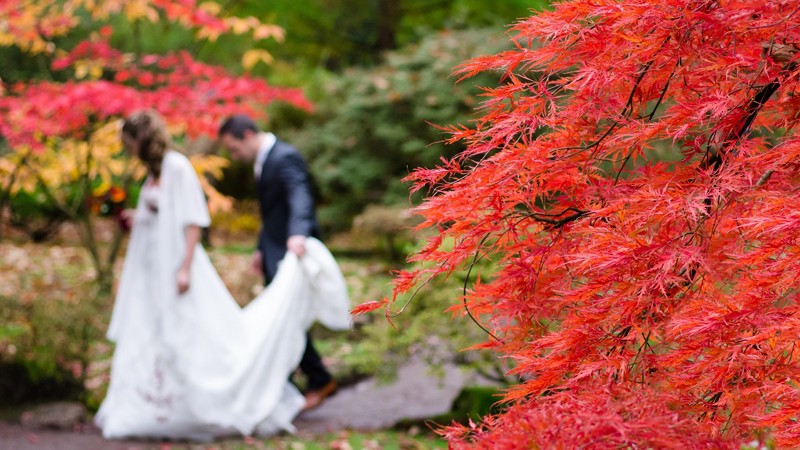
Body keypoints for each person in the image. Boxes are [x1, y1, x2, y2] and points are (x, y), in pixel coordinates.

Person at [95, 110, 350, 441]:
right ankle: (160, 404)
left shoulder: (181, 166)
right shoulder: (154, 173)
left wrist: (297, 233)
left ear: (141, 140)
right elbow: (268, 214)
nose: (127, 150)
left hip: (181, 265)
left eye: (128, 143)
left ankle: (307, 381)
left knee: (199, 332)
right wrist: (136, 216)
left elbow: (195, 219)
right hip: (154, 268)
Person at [218, 114, 337, 411]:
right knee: (283, 317)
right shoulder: (263, 160)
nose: (235, 156)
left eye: (234, 148)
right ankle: (296, 383)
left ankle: (317, 380)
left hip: (291, 252)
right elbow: (270, 212)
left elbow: (300, 196)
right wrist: (261, 249)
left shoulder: (285, 157)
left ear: (247, 134)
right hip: (273, 251)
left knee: (288, 317)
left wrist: (298, 233)